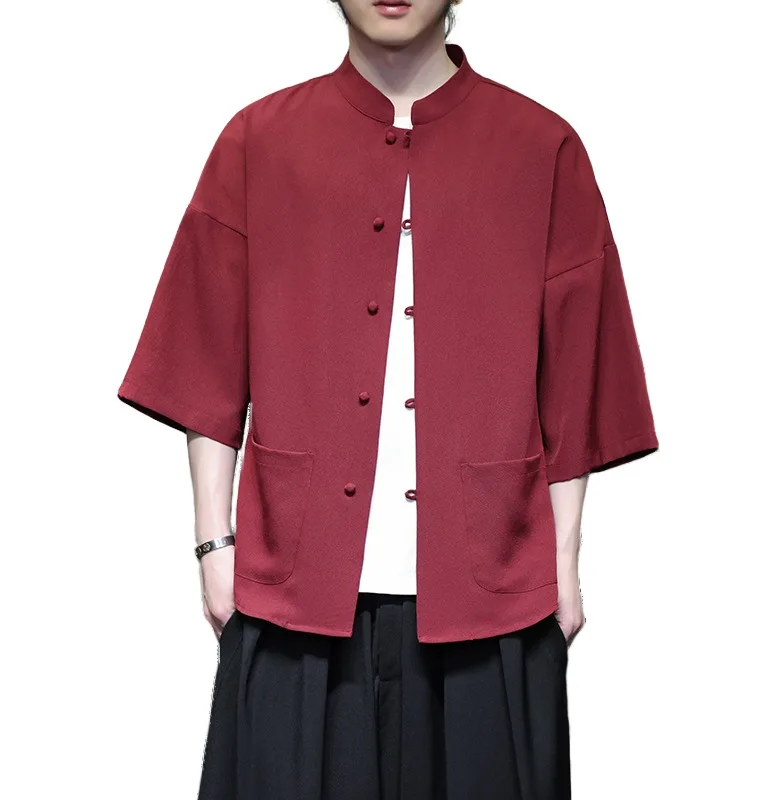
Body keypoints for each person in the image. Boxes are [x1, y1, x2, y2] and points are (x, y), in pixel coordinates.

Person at [117, 1, 659, 797]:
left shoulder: (542, 147)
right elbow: (203, 357)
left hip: (493, 600)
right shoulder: (258, 141)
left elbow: (580, 374)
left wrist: (564, 564)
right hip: (292, 593)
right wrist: (213, 547)